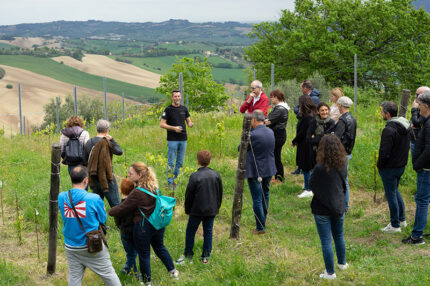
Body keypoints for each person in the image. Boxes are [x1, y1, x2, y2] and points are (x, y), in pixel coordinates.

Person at [109, 162, 179, 285]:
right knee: (159, 247)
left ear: (140, 174)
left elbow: (122, 209)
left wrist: (109, 211)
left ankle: (147, 282)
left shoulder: (137, 192)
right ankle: (173, 271)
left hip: (143, 227)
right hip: (157, 224)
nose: (128, 175)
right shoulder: (154, 187)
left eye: (131, 173)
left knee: (144, 254)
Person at [58, 166, 121, 286]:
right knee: (108, 275)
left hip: (71, 246)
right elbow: (102, 219)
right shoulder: (94, 198)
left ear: (71, 179)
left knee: (74, 278)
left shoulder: (61, 197)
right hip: (92, 245)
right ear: (86, 180)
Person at [310, 134, 348, 280]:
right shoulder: (343, 164)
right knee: (339, 235)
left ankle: (330, 273)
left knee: (326, 240)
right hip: (339, 206)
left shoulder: (320, 168)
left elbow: (312, 184)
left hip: (322, 208)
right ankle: (342, 263)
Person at [176, 150, 223, 265]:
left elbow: (189, 195)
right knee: (208, 232)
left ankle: (188, 255)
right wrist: (217, 207)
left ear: (197, 161)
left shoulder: (195, 176)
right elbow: (219, 193)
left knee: (191, 231)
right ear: (210, 161)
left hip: (196, 210)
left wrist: (187, 209)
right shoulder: (216, 175)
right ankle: (205, 257)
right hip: (211, 210)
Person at [377, 101, 410, 233]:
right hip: (401, 165)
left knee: (391, 195)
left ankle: (395, 225)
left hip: (389, 168)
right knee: (395, 191)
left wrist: (380, 165)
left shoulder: (389, 129)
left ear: (388, 114)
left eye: (382, 112)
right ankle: (402, 220)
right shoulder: (405, 125)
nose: (381, 114)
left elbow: (384, 152)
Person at [403, 91, 430, 245]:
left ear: (426, 106)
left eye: (419, 105)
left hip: (426, 169)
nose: (417, 107)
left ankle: (417, 236)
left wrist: (417, 164)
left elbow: (429, 150)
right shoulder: (427, 121)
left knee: (422, 201)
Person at [246, 110, 276, 234]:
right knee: (266, 194)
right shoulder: (270, 132)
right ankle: (263, 220)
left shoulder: (252, 135)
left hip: (255, 169)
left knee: (257, 198)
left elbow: (241, 148)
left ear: (253, 120)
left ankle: (260, 226)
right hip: (269, 168)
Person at [160, 90, 194, 191]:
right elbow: (162, 124)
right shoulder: (168, 110)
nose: (177, 98)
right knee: (171, 162)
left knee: (180, 162)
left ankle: (176, 181)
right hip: (172, 140)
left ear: (181, 97)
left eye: (179, 96)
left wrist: (190, 124)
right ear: (172, 98)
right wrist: (174, 128)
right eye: (175, 96)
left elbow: (188, 121)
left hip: (183, 139)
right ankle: (170, 183)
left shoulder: (184, 109)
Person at [84, 119, 123, 208]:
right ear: (107, 130)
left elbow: (85, 160)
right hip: (107, 177)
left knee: (98, 205)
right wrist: (112, 139)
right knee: (115, 204)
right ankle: (120, 221)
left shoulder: (89, 142)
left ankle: (100, 222)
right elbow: (119, 151)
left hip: (94, 177)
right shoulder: (108, 142)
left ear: (97, 129)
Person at [291, 79, 320, 175]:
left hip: (308, 125)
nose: (301, 89)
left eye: (301, 88)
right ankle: (300, 167)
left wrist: (300, 112)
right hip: (303, 122)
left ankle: (306, 169)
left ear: (305, 88)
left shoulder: (314, 98)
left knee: (305, 147)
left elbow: (309, 110)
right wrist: (299, 110)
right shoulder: (304, 98)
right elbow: (296, 108)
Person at [334, 96, 357, 211]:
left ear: (341, 106)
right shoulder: (352, 118)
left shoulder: (343, 120)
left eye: (338, 105)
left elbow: (336, 138)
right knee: (344, 179)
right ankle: (345, 204)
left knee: (341, 180)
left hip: (341, 153)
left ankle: (344, 205)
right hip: (348, 151)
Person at [292, 95, 317, 198]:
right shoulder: (312, 115)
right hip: (308, 144)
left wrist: (294, 140)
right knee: (308, 167)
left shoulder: (307, 118)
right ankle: (309, 186)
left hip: (306, 145)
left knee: (306, 167)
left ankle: (308, 189)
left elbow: (302, 132)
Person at [114, 178, 138, 277]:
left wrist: (120, 227)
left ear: (120, 190)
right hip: (136, 232)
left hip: (125, 233)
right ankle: (127, 267)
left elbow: (117, 221)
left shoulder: (120, 206)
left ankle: (134, 273)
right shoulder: (136, 204)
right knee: (134, 251)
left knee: (130, 253)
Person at [265, 89, 290, 182]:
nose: (270, 98)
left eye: (272, 97)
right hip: (277, 133)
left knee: (276, 156)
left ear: (277, 97)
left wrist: (267, 122)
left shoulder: (280, 109)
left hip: (278, 134)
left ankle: (279, 178)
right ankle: (275, 176)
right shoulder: (278, 108)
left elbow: (268, 120)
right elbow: (268, 120)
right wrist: (267, 121)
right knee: (274, 155)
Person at [410, 86, 430, 157]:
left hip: (420, 141)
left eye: (418, 95)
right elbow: (413, 121)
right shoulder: (421, 105)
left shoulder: (426, 108)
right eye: (416, 94)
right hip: (415, 139)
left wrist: (414, 109)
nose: (415, 96)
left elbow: (416, 123)